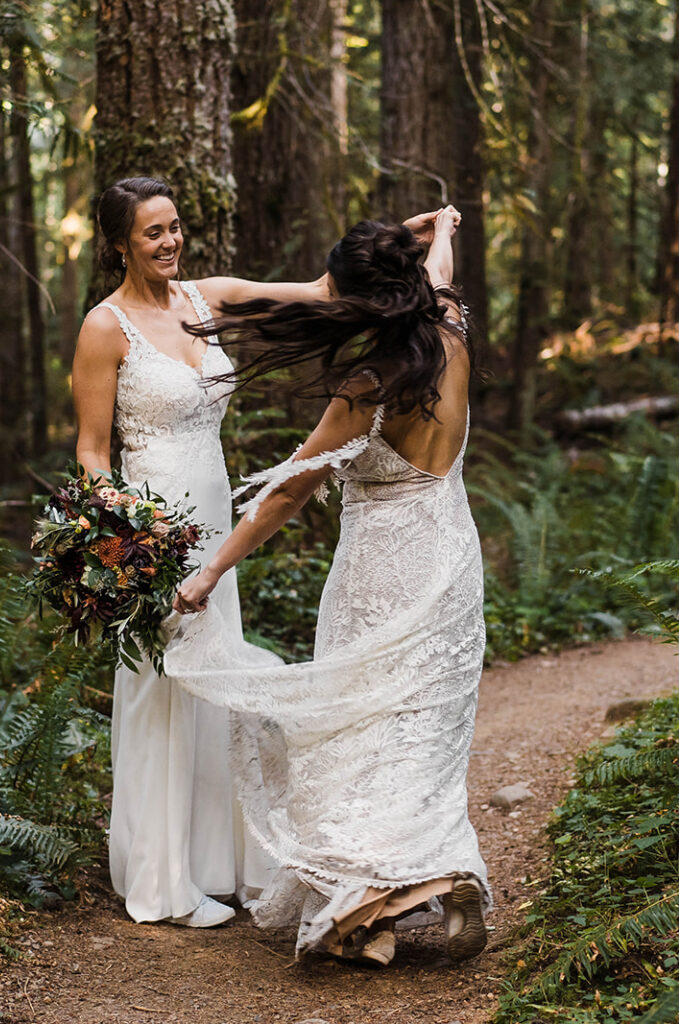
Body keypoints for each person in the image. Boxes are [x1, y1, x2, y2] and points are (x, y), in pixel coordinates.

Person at [164, 207, 489, 967]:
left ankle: (377, 901)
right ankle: (439, 870)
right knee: (423, 733)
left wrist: (210, 570)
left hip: (381, 567)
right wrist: (437, 226)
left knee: (358, 728)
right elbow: (437, 266)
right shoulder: (448, 328)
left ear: (367, 305)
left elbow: (286, 495)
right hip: (449, 556)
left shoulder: (369, 384)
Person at [71, 176, 337, 927]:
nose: (170, 242)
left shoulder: (205, 301)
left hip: (216, 522)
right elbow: (93, 453)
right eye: (153, 232)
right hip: (153, 531)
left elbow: (314, 290)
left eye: (176, 227)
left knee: (216, 677)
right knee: (164, 684)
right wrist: (129, 535)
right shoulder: (104, 326)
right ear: (120, 243)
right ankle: (162, 879)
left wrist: (406, 247)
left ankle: (221, 862)